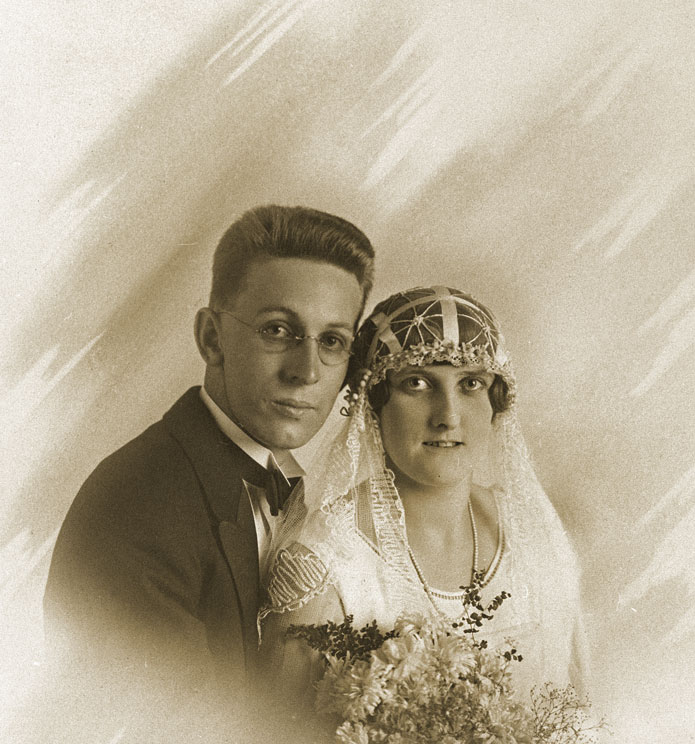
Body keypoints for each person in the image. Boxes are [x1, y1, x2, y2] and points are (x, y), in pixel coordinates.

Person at [44, 204, 374, 684]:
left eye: (332, 341)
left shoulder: (297, 486)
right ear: (211, 338)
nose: (306, 373)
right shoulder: (138, 508)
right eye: (277, 331)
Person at [260, 285, 589, 702]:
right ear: (373, 407)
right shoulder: (324, 562)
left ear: (496, 403)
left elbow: (575, 711)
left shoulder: (530, 530)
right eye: (417, 383)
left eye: (471, 383)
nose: (448, 416)